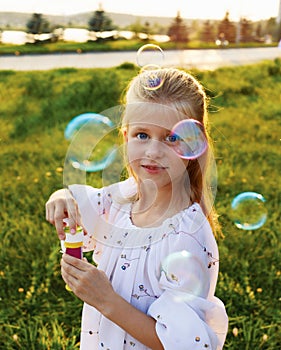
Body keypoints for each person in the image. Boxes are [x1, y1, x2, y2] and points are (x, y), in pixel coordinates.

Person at [46, 67, 228, 349]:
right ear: (125, 136)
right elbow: (78, 206)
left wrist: (105, 300)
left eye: (171, 138)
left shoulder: (186, 238)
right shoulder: (123, 198)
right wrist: (61, 197)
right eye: (142, 135)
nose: (153, 152)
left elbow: (178, 343)